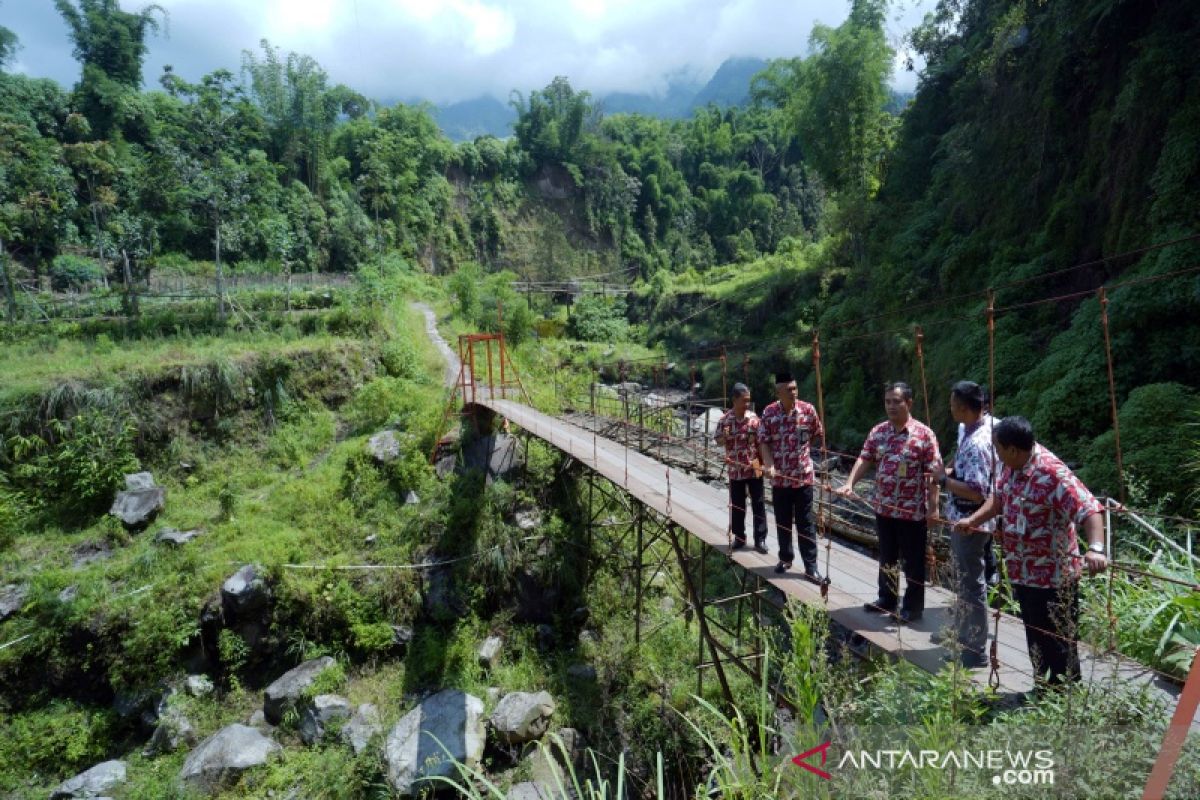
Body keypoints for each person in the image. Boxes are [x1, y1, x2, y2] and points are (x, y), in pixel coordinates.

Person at [954, 416, 1106, 687]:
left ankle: (1065, 700)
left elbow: (1090, 508)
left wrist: (1095, 549)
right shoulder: (1012, 467)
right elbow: (999, 498)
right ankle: (1043, 691)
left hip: (1054, 578)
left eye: (998, 448)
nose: (996, 454)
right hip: (1023, 572)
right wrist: (973, 520)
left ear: (1013, 449)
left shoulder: (1052, 474)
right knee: (1035, 637)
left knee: (1058, 642)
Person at [838, 382, 942, 624]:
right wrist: (849, 483)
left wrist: (934, 507)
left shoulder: (924, 435)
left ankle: (913, 608)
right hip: (884, 507)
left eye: (897, 401)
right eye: (888, 402)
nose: (891, 406)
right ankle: (887, 599)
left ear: (909, 403)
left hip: (912, 511)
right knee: (887, 556)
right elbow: (864, 459)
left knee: (914, 561)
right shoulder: (878, 432)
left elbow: (933, 474)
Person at [932, 381, 995, 667]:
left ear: (966, 408)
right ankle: (963, 634)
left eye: (953, 404)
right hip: (963, 518)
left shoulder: (979, 444)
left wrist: (943, 480)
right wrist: (947, 472)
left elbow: (977, 489)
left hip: (971, 523)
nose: (950, 407)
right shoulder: (972, 428)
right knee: (965, 580)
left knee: (971, 584)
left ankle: (974, 649)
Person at [758, 370, 825, 580]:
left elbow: (816, 433)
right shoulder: (769, 413)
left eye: (795, 388)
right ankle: (785, 557)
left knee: (806, 522)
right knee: (783, 521)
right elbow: (763, 441)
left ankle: (811, 567)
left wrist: (801, 456)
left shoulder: (808, 410)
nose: (794, 393)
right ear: (778, 392)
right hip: (780, 479)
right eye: (789, 390)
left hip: (803, 477)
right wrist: (769, 464)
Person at [714, 383, 768, 554]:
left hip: (754, 467)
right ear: (734, 400)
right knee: (738, 505)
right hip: (735, 469)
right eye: (744, 401)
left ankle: (760, 540)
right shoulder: (725, 420)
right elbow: (718, 441)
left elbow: (761, 443)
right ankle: (739, 537)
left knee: (758, 504)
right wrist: (725, 436)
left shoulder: (754, 419)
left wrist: (765, 464)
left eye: (748, 401)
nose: (747, 404)